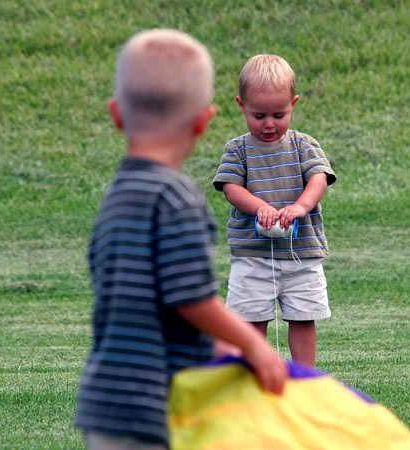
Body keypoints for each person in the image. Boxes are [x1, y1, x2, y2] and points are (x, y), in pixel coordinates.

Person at [75, 30, 287, 450]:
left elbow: (144, 297)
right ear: (203, 121)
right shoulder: (174, 198)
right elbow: (191, 298)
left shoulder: (117, 195)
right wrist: (252, 345)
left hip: (106, 403)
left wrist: (220, 344)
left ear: (117, 115)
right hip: (159, 403)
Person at [213, 54, 337, 368]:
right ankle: (254, 373)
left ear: (293, 104)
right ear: (241, 105)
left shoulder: (304, 145)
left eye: (279, 114)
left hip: (302, 255)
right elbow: (231, 188)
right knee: (252, 318)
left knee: (303, 316)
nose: (269, 124)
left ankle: (305, 377)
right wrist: (261, 208)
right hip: (252, 255)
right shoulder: (238, 149)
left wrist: (300, 206)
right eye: (259, 115)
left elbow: (319, 178)